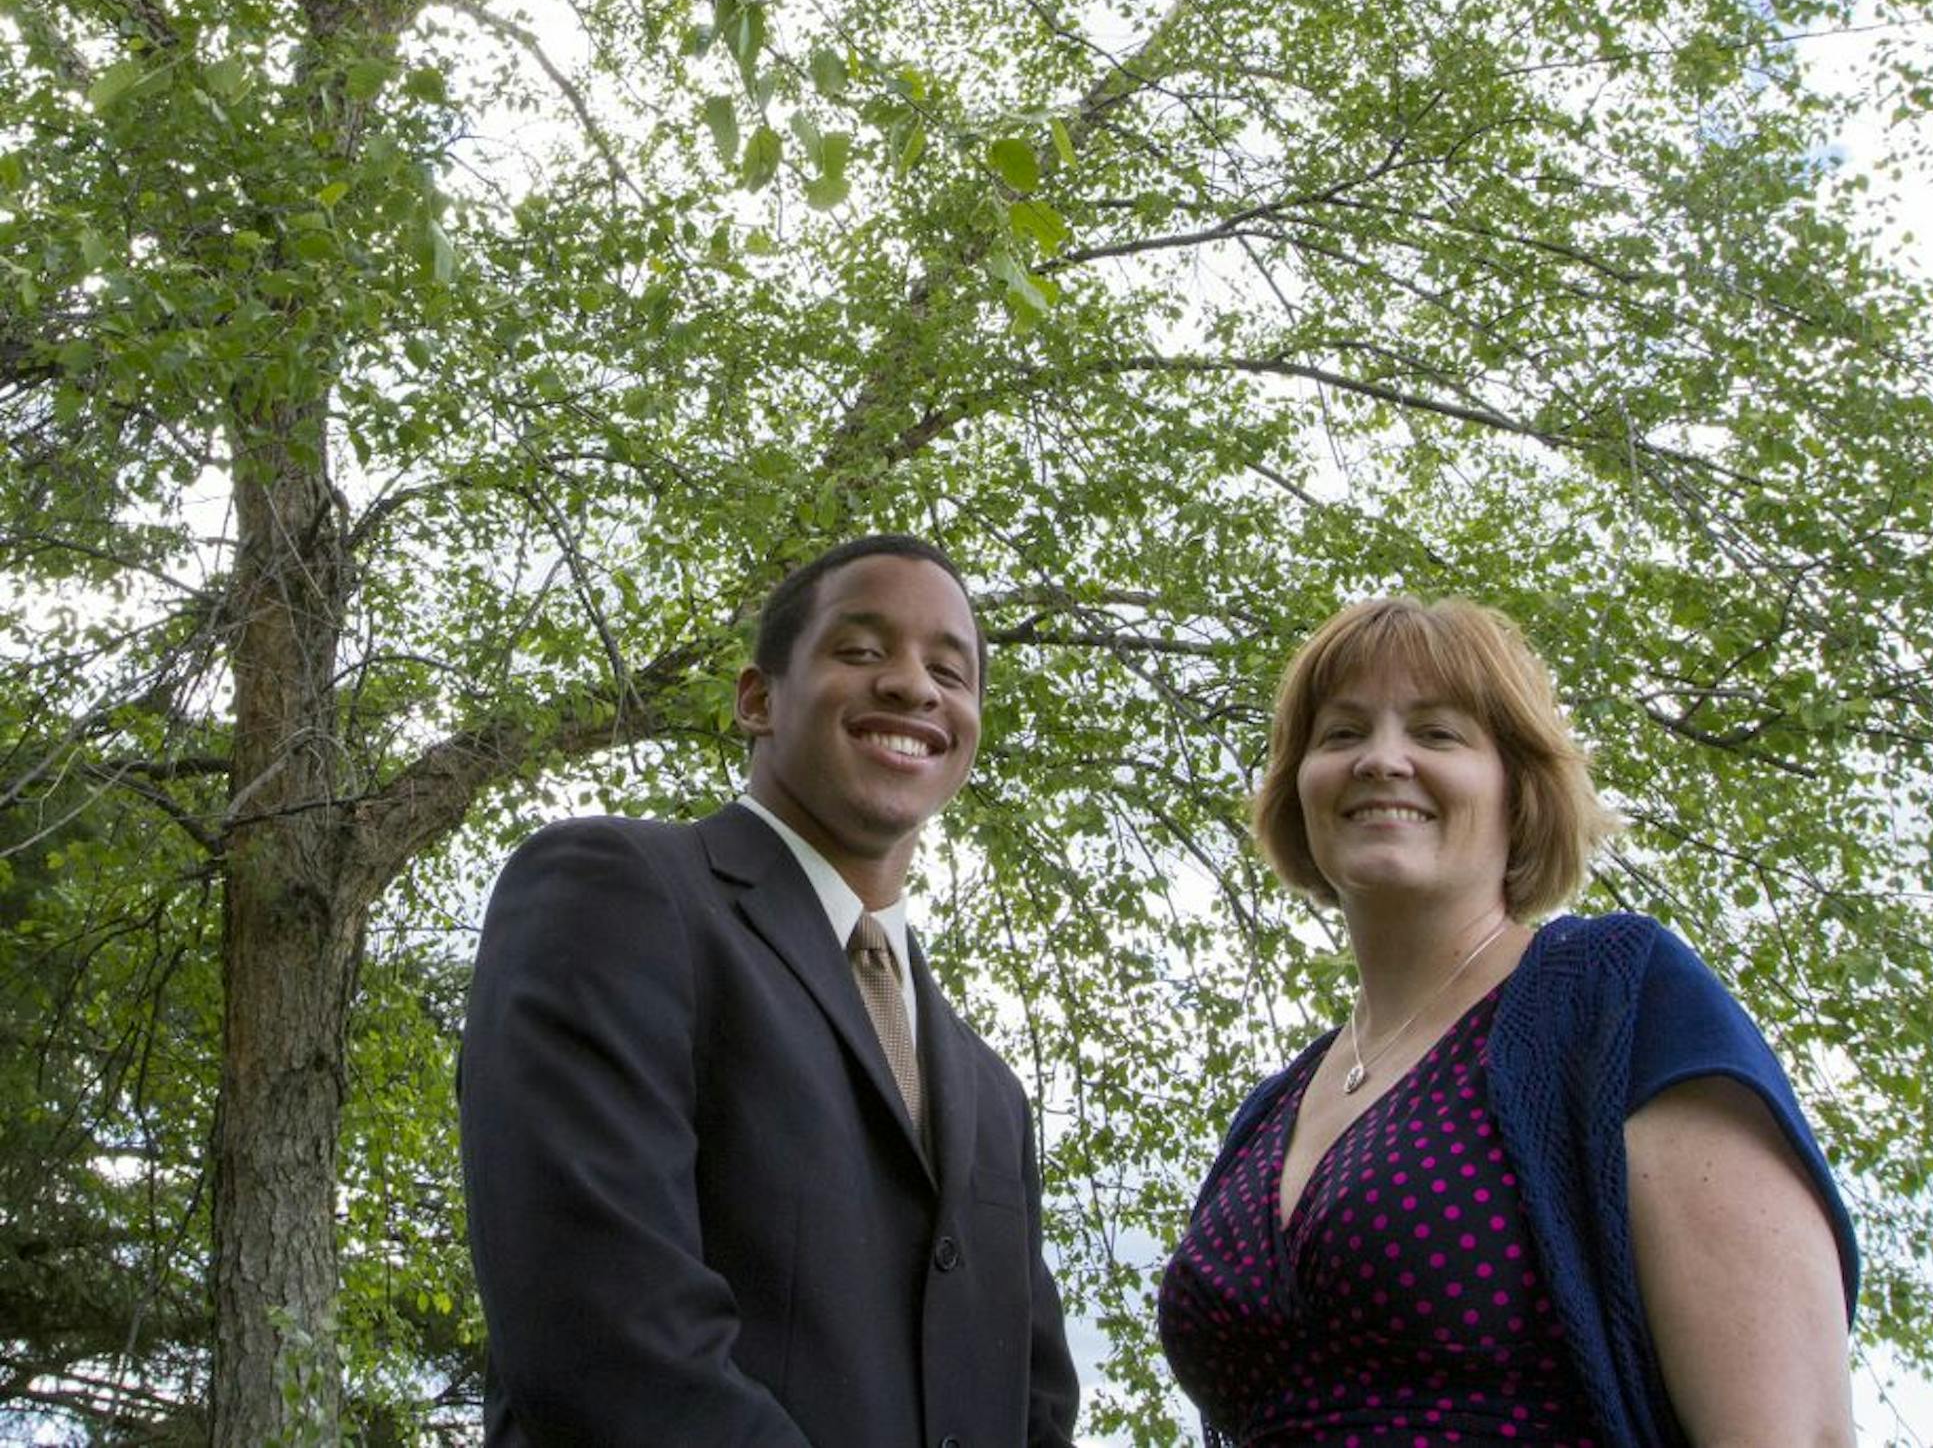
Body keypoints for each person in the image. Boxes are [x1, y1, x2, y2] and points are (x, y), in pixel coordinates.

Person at [1157, 596, 1859, 1447]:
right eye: (1341, 734)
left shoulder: (1616, 1002)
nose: (1381, 760)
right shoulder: (1268, 1114)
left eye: (1437, 733)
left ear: (1519, 788)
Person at [460, 535, 1080, 1447]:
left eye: (951, 671)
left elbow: (1034, 1407)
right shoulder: (617, 895)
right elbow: (608, 1342)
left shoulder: (992, 1092)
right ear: (758, 700)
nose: (915, 686)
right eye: (862, 651)